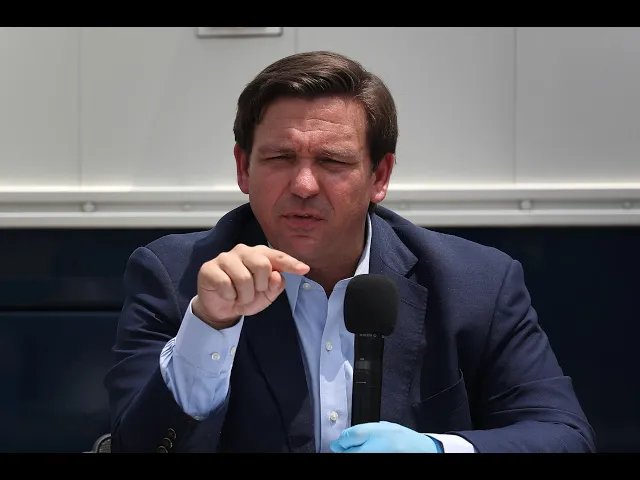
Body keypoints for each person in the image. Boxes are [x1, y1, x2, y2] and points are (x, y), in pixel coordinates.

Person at [104, 50, 596, 453]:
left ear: (379, 176)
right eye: (279, 157)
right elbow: (139, 447)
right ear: (243, 168)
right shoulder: (176, 276)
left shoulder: (477, 283)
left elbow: (564, 436)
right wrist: (210, 327)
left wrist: (438, 450)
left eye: (332, 162)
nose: (303, 185)